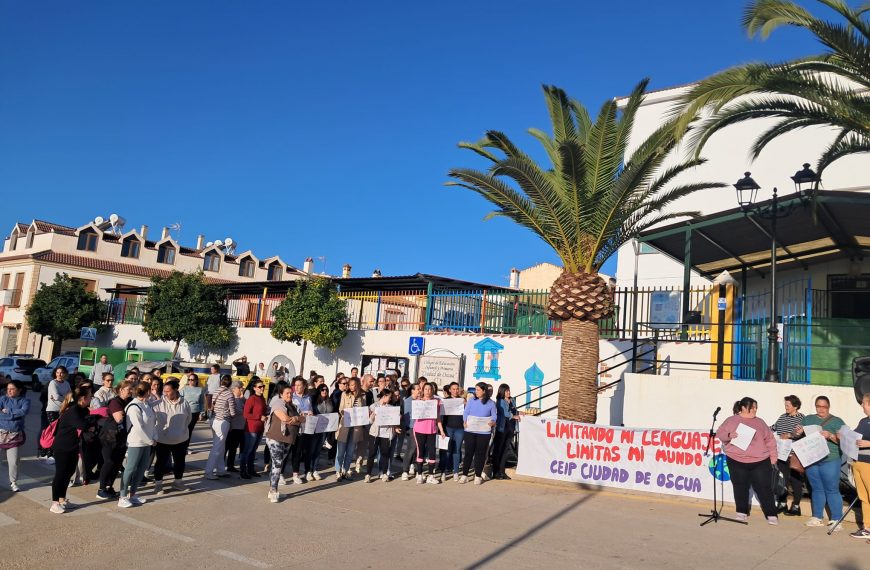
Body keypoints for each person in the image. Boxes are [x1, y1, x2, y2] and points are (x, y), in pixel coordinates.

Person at [716, 397, 779, 524]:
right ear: (744, 407)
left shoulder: (760, 422)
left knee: (764, 487)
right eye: (753, 407)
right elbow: (720, 433)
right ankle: (741, 512)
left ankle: (771, 514)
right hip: (736, 460)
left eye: (756, 407)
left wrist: (773, 458)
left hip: (760, 461)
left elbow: (770, 440)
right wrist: (729, 436)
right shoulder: (731, 420)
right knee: (740, 486)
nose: (755, 410)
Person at [795, 395, 846, 528]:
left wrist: (830, 435)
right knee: (817, 489)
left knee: (832, 489)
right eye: (818, 406)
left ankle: (836, 519)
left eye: (824, 406)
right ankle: (817, 517)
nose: (821, 409)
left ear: (828, 407)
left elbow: (844, 442)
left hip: (830, 459)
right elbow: (799, 435)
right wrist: (799, 431)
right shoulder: (808, 419)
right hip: (812, 459)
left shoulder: (837, 421)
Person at [50, 385, 95, 513]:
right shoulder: (73, 410)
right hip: (62, 447)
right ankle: (54, 503)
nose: (92, 397)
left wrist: (91, 421)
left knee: (68, 473)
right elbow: (83, 424)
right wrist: (91, 423)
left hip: (73, 446)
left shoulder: (83, 410)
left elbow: (89, 422)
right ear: (82, 398)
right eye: (90, 395)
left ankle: (62, 500)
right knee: (60, 474)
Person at [118, 382, 157, 508]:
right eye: (150, 390)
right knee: (130, 468)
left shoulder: (146, 405)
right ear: (146, 392)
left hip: (146, 442)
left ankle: (133, 494)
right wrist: (150, 441)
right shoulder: (134, 406)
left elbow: (152, 423)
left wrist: (153, 437)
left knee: (142, 468)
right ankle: (122, 496)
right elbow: (138, 427)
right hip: (135, 442)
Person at [152, 380, 192, 494]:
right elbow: (152, 420)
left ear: (175, 390)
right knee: (160, 462)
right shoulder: (158, 404)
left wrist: (181, 430)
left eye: (168, 391)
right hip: (162, 439)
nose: (165, 393)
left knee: (180, 462)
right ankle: (158, 484)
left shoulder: (185, 403)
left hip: (181, 439)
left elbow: (188, 419)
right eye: (164, 391)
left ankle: (178, 482)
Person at [264, 385, 302, 503]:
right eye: (287, 393)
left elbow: (303, 419)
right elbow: (285, 418)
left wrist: (296, 418)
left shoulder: (293, 405)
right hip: (276, 438)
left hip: (287, 439)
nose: (289, 395)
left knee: (277, 465)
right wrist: (297, 418)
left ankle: (272, 489)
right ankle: (274, 490)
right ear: (281, 394)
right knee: (278, 463)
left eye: (291, 393)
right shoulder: (278, 403)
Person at [96, 380, 133, 499]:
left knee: (117, 464)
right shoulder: (115, 401)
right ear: (121, 390)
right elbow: (119, 418)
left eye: (132, 389)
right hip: (109, 437)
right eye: (129, 389)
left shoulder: (129, 401)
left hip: (121, 437)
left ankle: (109, 487)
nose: (131, 391)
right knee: (109, 462)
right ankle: (101, 489)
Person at [770, 395, 805, 515]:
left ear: (795, 406)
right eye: (785, 405)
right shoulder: (782, 417)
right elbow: (773, 428)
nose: (786, 407)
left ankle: (796, 506)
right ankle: (782, 503)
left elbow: (802, 433)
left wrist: (789, 435)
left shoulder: (801, 418)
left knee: (796, 481)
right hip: (781, 454)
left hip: (795, 455)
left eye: (788, 405)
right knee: (781, 479)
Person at [460, 382, 497, 485]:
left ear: (484, 391)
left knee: (480, 454)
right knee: (468, 453)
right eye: (476, 390)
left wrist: (492, 422)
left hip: (484, 432)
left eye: (478, 390)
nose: (476, 392)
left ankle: (477, 475)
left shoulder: (491, 403)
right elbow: (466, 412)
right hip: (470, 431)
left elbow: (494, 416)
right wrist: (464, 421)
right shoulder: (471, 401)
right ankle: (465, 475)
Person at [412, 382, 446, 485]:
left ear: (433, 390)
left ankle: (431, 475)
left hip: (432, 430)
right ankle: (420, 474)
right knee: (420, 452)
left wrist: (442, 430)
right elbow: (415, 415)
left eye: (430, 389)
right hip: (419, 430)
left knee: (432, 452)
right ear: (423, 390)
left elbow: (438, 418)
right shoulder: (418, 401)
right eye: (426, 389)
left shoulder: (437, 402)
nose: (428, 391)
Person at [0, 380, 30, 492]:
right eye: (8, 388)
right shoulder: (2, 399)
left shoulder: (25, 400)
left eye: (12, 389)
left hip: (15, 435)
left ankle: (13, 482)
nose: (9, 391)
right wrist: (13, 416)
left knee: (14, 461)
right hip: (0, 433)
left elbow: (23, 412)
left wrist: (6, 411)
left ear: (19, 390)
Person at [365, 388, 400, 482]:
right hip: (374, 433)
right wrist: (373, 414)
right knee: (372, 454)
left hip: (386, 434)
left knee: (385, 454)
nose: (390, 399)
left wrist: (396, 427)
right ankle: (368, 474)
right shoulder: (373, 406)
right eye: (389, 397)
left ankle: (384, 473)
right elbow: (369, 421)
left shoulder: (391, 408)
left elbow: (393, 421)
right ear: (384, 396)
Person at [205, 375, 236, 479]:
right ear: (230, 383)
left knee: (221, 447)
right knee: (217, 447)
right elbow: (232, 412)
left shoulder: (216, 391)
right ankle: (208, 471)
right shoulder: (229, 394)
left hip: (213, 420)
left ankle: (220, 470)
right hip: (223, 421)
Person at [335, 377, 366, 481]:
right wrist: (346, 412)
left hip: (356, 426)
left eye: (353, 385)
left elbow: (363, 410)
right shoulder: (345, 394)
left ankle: (345, 470)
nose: (351, 387)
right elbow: (340, 409)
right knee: (341, 450)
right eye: (350, 385)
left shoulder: (362, 396)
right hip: (345, 424)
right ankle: (338, 471)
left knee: (350, 451)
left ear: (357, 385)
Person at [850, 393, 870, 540]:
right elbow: (855, 436)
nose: (862, 405)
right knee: (863, 497)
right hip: (858, 462)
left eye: (864, 403)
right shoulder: (863, 421)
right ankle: (867, 527)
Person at [42, 365, 71, 463]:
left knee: (60, 432)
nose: (59, 374)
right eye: (57, 372)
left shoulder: (66, 383)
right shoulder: (53, 383)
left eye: (62, 372)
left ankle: (53, 452)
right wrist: (65, 398)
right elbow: (56, 396)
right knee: (54, 432)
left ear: (65, 374)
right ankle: (49, 454)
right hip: (52, 410)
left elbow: (70, 396)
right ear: (55, 373)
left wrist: (64, 399)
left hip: (63, 411)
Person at [438, 382, 465, 482]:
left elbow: (466, 413)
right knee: (447, 451)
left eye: (457, 389)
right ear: (449, 390)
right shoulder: (445, 401)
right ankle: (443, 472)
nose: (455, 391)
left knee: (457, 450)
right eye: (453, 389)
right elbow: (441, 416)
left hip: (460, 428)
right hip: (448, 428)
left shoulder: (462, 400)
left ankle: (456, 472)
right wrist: (441, 430)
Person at [492, 384, 520, 480]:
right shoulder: (500, 401)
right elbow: (505, 413)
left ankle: (502, 472)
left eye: (509, 390)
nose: (508, 392)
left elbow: (514, 411)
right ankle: (495, 472)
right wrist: (514, 416)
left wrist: (519, 413)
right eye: (506, 391)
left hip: (511, 427)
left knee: (505, 451)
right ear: (502, 391)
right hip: (502, 427)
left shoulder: (512, 400)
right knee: (498, 450)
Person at [241, 378, 267, 479]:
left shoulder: (262, 398)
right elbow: (245, 414)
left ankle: (251, 469)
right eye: (260, 387)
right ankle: (243, 471)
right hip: (251, 429)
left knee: (253, 450)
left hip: (260, 428)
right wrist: (259, 417)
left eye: (263, 386)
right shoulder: (252, 398)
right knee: (247, 450)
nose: (262, 388)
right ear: (255, 388)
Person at [312, 383, 335, 478]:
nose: (324, 391)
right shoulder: (314, 400)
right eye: (322, 390)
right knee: (312, 449)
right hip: (314, 428)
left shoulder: (330, 401)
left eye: (326, 390)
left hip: (325, 430)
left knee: (318, 450)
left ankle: (314, 469)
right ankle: (309, 470)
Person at [225, 381, 246, 473]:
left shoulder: (241, 399)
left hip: (240, 426)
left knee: (234, 448)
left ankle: (230, 465)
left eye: (241, 387)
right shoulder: (232, 399)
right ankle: (221, 464)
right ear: (234, 389)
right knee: (227, 447)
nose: (241, 389)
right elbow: (237, 412)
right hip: (233, 427)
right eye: (239, 387)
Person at [400, 383, 420, 480]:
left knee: (417, 449)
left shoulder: (420, 400)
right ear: (412, 390)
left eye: (420, 389)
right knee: (410, 449)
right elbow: (407, 417)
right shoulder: (408, 401)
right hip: (412, 428)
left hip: (420, 428)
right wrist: (409, 428)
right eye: (417, 389)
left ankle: (414, 466)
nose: (419, 390)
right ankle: (405, 470)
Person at [180, 373, 205, 450]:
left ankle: (185, 447)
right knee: (183, 429)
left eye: (192, 380)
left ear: (196, 381)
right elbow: (179, 399)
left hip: (195, 412)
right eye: (189, 380)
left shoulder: (200, 390)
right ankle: (180, 445)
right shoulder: (184, 389)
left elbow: (202, 402)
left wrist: (202, 413)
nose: (190, 381)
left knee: (189, 429)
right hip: (184, 411)